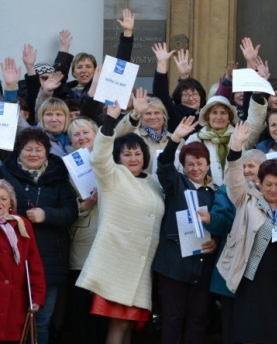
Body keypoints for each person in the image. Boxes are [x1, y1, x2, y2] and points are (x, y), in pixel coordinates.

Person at [217, 121, 277, 344]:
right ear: (260, 182)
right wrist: (236, 146)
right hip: (252, 277)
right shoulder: (246, 199)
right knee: (249, 333)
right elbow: (233, 178)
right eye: (268, 184)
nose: (273, 189)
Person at [77, 100, 165, 344]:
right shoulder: (112, 175)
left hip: (141, 267)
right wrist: (110, 122)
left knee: (126, 327)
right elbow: (99, 157)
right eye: (127, 154)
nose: (133, 158)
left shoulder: (152, 182)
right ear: (118, 157)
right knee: (117, 327)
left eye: (137, 153)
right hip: (118, 265)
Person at [0, 128, 78, 344]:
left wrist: (47, 215)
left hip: (49, 261)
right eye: (28, 149)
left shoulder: (58, 177)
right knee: (8, 320)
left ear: (46, 152)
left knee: (41, 321)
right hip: (11, 262)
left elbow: (71, 211)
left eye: (39, 149)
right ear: (19, 151)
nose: (33, 154)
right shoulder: (5, 174)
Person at [153, 116, 219, 344]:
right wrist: (175, 139)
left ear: (208, 165)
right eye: (190, 164)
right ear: (183, 166)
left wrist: (217, 241)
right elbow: (163, 165)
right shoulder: (175, 183)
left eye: (200, 163)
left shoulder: (215, 192)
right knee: (172, 319)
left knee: (198, 320)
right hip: (174, 265)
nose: (195, 168)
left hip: (202, 267)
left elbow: (220, 223)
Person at [206, 149, 265, 344]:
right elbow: (221, 223)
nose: (247, 170)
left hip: (261, 270)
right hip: (231, 266)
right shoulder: (226, 190)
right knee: (231, 327)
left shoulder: (272, 190)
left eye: (251, 166)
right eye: (243, 166)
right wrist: (211, 220)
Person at [64, 117, 108, 343]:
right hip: (83, 238)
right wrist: (87, 204)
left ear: (95, 134)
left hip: (109, 238)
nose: (81, 137)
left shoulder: (109, 158)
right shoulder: (67, 166)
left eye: (85, 132)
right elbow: (65, 205)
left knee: (103, 304)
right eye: (76, 135)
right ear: (70, 140)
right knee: (81, 302)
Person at [0, 179, 46, 343]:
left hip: (14, 302)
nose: (0, 203)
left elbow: (34, 264)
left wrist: (37, 297)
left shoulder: (21, 224)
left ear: (11, 202)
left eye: (3, 199)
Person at [183, 96, 238, 186]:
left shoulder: (238, 137)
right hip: (204, 192)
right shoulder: (195, 139)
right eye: (214, 113)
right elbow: (184, 168)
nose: (218, 117)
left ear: (229, 118)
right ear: (207, 117)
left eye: (223, 113)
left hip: (234, 194)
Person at [114, 89, 171, 171]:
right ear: (141, 117)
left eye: (157, 113)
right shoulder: (133, 135)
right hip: (141, 182)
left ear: (164, 116)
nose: (153, 117)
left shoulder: (176, 139)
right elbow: (116, 136)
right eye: (148, 113)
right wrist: (135, 114)